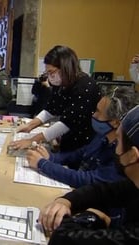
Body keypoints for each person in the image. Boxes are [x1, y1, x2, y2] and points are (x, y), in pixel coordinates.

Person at [38, 105, 139, 244]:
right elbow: (102, 190)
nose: (115, 148)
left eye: (118, 142)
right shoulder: (134, 185)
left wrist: (93, 216)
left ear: (132, 156)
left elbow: (62, 239)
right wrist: (65, 201)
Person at [26, 87, 137, 188]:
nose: (93, 115)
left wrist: (43, 164)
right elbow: (79, 154)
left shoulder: (123, 154)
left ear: (116, 122)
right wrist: (52, 158)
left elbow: (88, 179)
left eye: (98, 112)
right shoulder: (102, 136)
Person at [10, 46, 101, 167]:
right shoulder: (63, 84)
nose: (49, 76)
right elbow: (51, 108)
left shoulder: (85, 86)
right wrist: (31, 125)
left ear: (65, 68)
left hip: (82, 147)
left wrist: (32, 140)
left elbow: (67, 123)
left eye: (51, 72)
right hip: (67, 143)